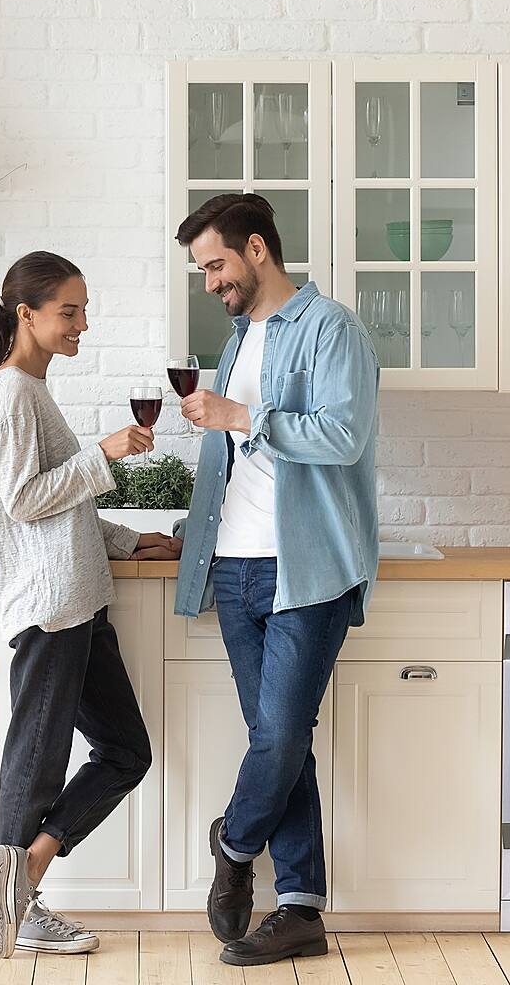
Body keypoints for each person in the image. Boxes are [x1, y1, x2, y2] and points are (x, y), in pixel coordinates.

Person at [0, 251, 181, 959]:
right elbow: (23, 502)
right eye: (68, 311)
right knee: (37, 759)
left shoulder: (32, 390)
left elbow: (61, 509)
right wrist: (105, 454)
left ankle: (30, 870)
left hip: (79, 602)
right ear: (27, 314)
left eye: (84, 310)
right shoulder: (13, 391)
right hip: (52, 607)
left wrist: (131, 537)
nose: (83, 324)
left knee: (124, 751)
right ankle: (13, 900)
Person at [167, 194, 379, 967]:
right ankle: (300, 910)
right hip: (233, 566)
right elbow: (237, 458)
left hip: (305, 566)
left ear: (257, 249)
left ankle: (234, 841)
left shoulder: (331, 329)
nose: (210, 281)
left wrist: (241, 416)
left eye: (216, 264)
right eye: (202, 270)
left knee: (283, 733)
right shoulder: (236, 340)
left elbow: (345, 436)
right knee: (279, 742)